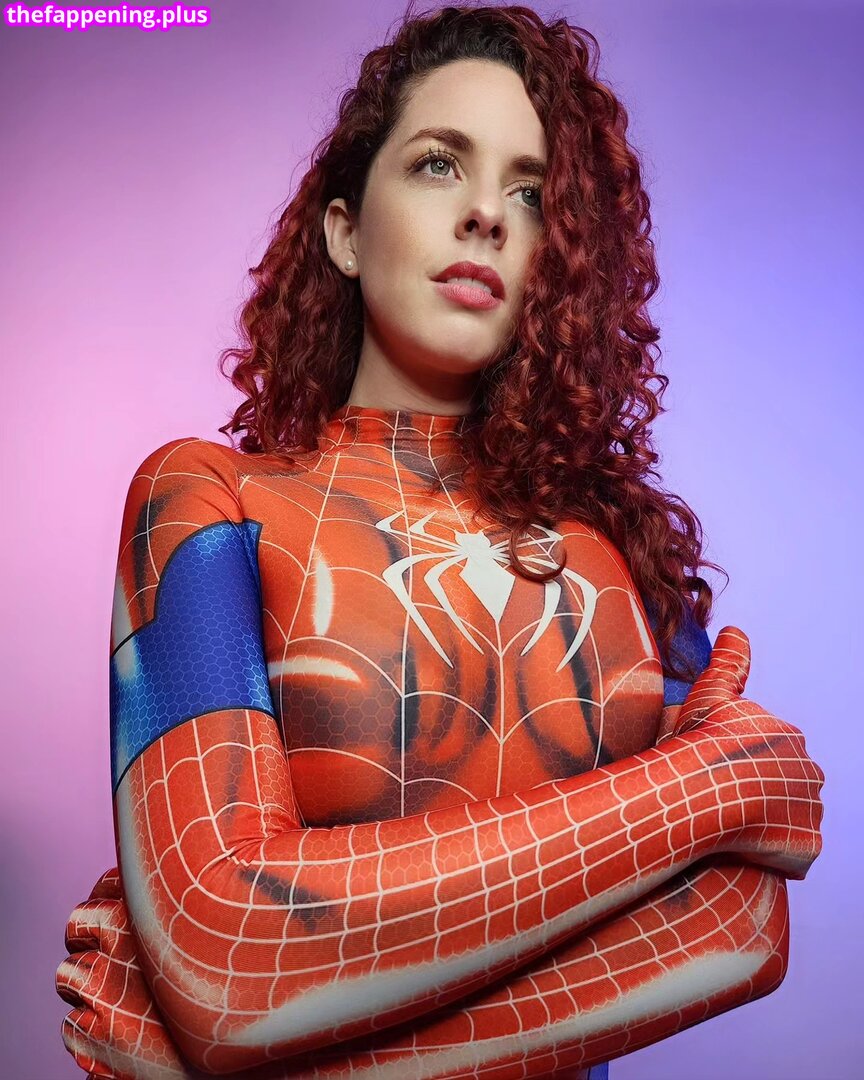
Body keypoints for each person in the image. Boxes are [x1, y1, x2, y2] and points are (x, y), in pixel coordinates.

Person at [55, 5, 825, 1079]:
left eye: (532, 192)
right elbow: (225, 960)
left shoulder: (624, 555)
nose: (486, 215)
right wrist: (703, 790)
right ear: (343, 231)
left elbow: (736, 929)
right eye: (437, 164)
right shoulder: (209, 504)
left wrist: (229, 1057)